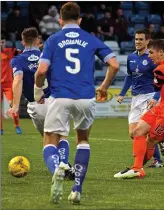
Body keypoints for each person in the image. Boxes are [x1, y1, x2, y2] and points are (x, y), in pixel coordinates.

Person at [34, 2, 119, 204]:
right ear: (80, 20)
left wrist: (38, 88)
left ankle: (56, 168)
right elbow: (114, 64)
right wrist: (105, 86)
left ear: (60, 20)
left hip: (60, 96)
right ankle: (77, 189)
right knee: (82, 139)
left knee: (49, 139)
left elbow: (42, 71)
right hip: (86, 97)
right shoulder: (91, 39)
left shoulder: (53, 40)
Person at [7, 27, 74, 180]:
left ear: (22, 41)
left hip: (36, 105)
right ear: (38, 40)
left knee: (48, 139)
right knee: (61, 136)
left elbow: (18, 79)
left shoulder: (18, 59)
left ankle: (59, 167)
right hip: (55, 100)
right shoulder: (48, 56)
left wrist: (15, 106)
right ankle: (63, 164)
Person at [115, 39, 164, 179]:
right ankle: (136, 168)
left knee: (150, 141)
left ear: (160, 53)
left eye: (151, 53)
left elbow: (155, 87)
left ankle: (137, 168)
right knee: (137, 131)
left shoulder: (160, 70)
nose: (149, 56)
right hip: (162, 107)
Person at [114, 29, 164, 177]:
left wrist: (156, 97)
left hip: (149, 96)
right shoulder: (131, 57)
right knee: (133, 133)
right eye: (136, 39)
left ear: (147, 41)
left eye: (141, 39)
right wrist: (122, 94)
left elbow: (161, 79)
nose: (137, 42)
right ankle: (160, 139)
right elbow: (129, 77)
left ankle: (151, 162)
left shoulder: (151, 58)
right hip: (136, 98)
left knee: (142, 131)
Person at [1, 34, 22, 135]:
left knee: (12, 105)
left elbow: (20, 52)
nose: (1, 43)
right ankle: (1, 129)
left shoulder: (10, 51)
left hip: (8, 84)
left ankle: (17, 125)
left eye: (3, 42)